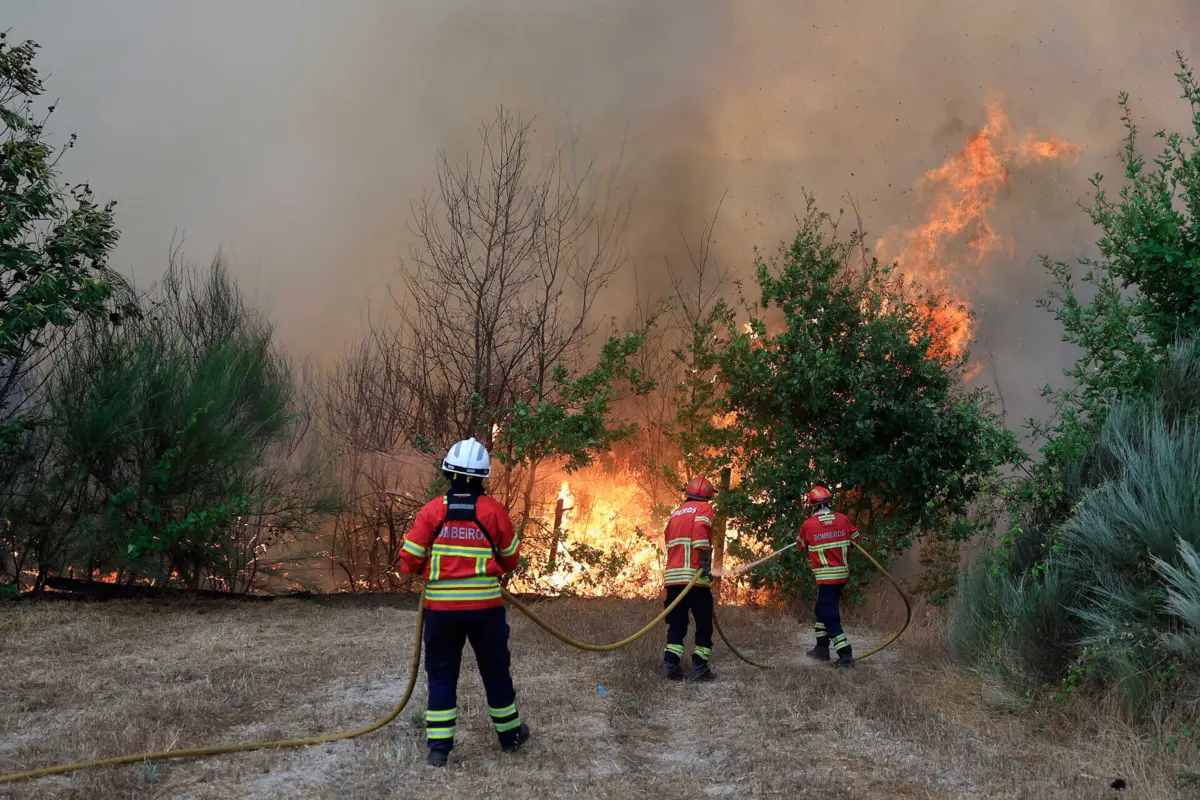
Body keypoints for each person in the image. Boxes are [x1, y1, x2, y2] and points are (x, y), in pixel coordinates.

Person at [400, 437, 531, 767]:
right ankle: (510, 737)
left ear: (448, 473)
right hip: (485, 611)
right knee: (495, 672)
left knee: (442, 675)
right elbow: (511, 559)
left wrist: (430, 564)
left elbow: (409, 559)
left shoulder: (432, 511)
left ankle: (439, 749)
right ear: (483, 477)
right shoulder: (494, 511)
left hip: (441, 612)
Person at [660, 476, 717, 682]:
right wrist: (704, 561)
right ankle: (700, 668)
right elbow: (702, 532)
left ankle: (670, 666)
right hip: (695, 577)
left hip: (673, 578)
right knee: (704, 623)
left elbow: (668, 539)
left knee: (676, 623)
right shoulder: (705, 509)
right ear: (709, 496)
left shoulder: (676, 513)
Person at [796, 485, 858, 668]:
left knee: (828, 614)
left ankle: (845, 655)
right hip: (841, 577)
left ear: (812, 506)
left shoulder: (809, 525)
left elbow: (800, 545)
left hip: (826, 578)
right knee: (821, 609)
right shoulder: (843, 519)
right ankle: (821, 649)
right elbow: (856, 538)